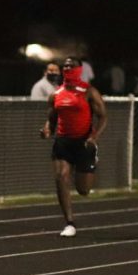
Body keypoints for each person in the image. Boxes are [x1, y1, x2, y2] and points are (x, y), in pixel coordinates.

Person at [40, 57, 108, 237]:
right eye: (66, 66)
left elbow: (103, 117)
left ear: (80, 69)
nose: (68, 68)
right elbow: (51, 118)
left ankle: (93, 157)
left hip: (84, 142)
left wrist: (94, 137)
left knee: (83, 190)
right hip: (63, 142)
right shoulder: (56, 94)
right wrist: (47, 128)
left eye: (72, 66)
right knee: (61, 177)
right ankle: (69, 222)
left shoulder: (89, 91)